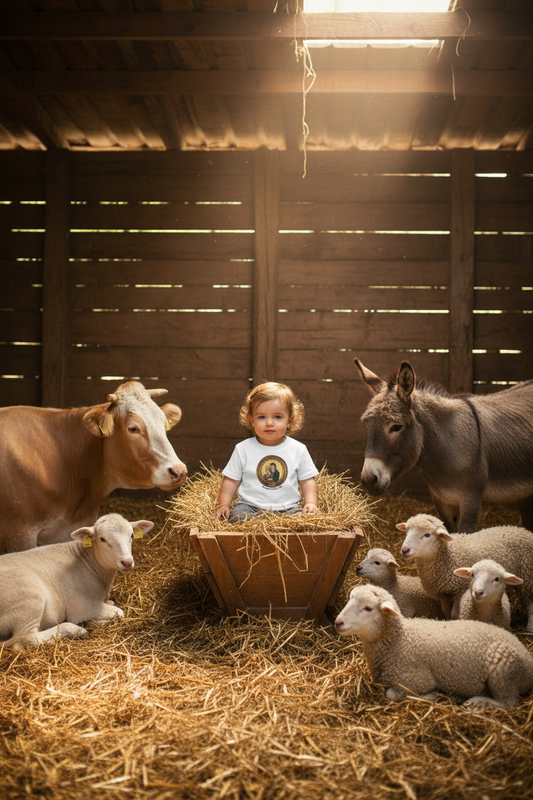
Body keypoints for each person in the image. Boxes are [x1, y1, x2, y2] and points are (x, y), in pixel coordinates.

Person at [216, 382, 319, 522]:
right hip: (250, 507)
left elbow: (307, 480)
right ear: (251, 420)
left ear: (290, 420)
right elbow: (231, 481)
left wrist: (311, 503)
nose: (269, 423)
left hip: (288, 509)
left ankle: (277, 524)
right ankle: (262, 524)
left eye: (277, 417)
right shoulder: (243, 448)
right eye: (262, 417)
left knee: (303, 520)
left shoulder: (298, 449)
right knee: (238, 517)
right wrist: (224, 504)